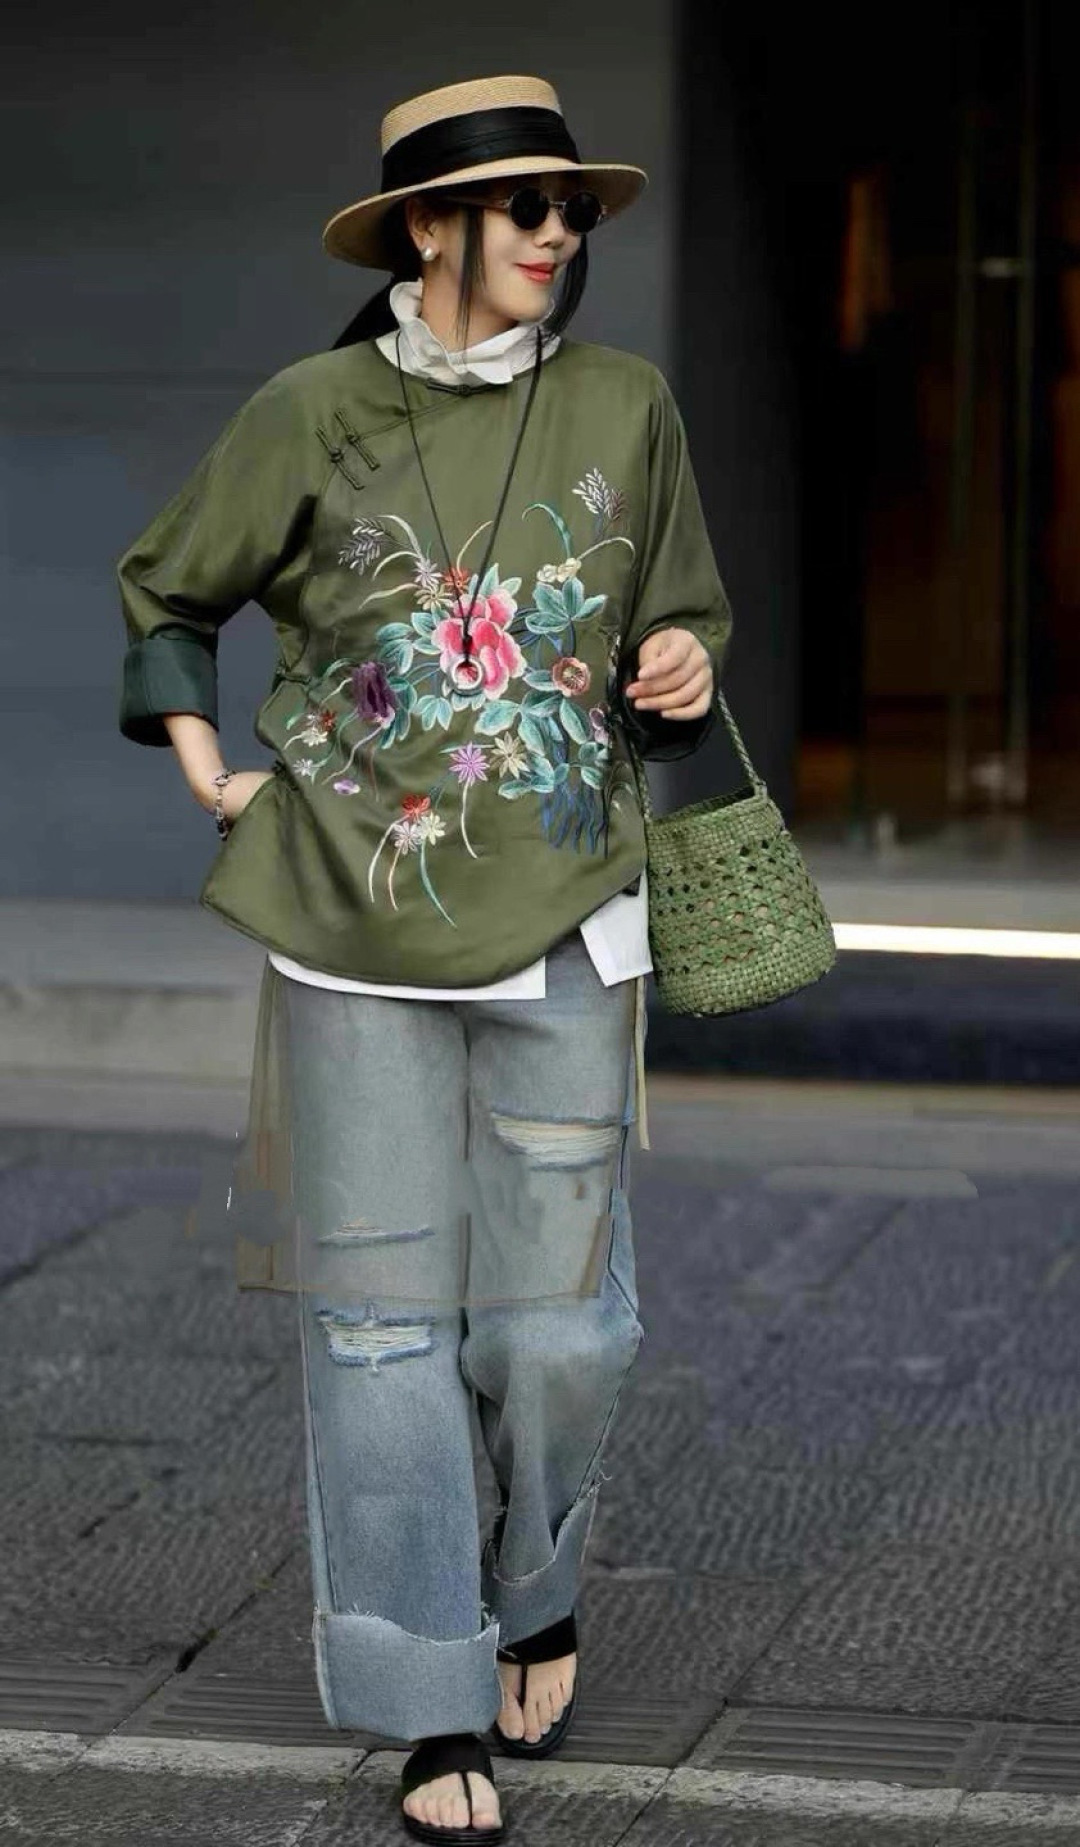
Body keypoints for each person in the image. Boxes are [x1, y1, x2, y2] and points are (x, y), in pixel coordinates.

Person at [116, 72, 732, 1845]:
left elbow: (678, 610)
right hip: (349, 928)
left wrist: (680, 661)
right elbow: (169, 592)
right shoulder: (312, 412)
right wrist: (213, 774)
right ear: (429, 225)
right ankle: (427, 1698)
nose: (558, 232)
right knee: (382, 1335)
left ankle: (534, 1590)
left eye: (574, 209)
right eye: (527, 205)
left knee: (562, 1334)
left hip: (571, 920)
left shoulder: (627, 404)